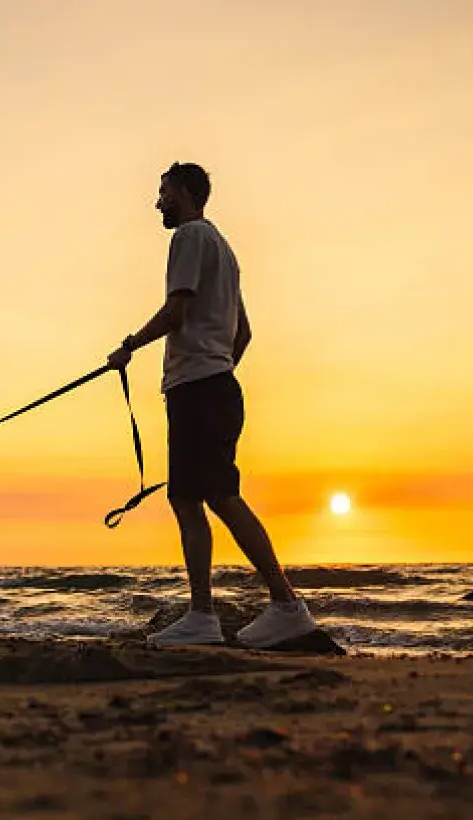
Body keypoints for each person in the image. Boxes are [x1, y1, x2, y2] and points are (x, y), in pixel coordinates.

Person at [106, 162, 317, 648]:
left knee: (218, 495)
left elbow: (177, 310)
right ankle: (205, 612)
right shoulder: (224, 249)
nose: (157, 202)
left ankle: (282, 605)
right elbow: (242, 332)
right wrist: (218, 367)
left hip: (200, 389)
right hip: (213, 386)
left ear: (183, 192)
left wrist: (130, 346)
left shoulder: (189, 238)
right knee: (188, 497)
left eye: (162, 193)